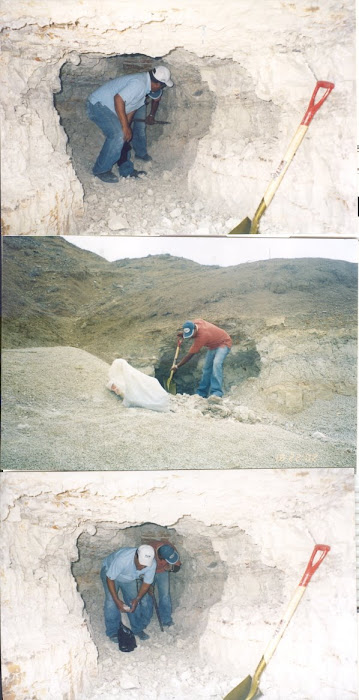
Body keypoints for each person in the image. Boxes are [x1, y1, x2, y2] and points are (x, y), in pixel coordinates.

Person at [86, 66, 173, 183]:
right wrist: (124, 127)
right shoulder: (139, 84)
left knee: (124, 136)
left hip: (108, 108)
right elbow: (118, 99)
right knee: (118, 134)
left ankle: (126, 170)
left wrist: (127, 128)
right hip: (98, 105)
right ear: (158, 84)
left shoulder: (144, 89)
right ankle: (101, 170)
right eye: (163, 86)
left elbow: (131, 109)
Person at [100, 544, 156, 641]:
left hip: (129, 578)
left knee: (133, 601)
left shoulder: (152, 564)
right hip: (110, 573)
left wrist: (137, 599)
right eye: (141, 563)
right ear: (135, 556)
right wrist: (117, 600)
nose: (142, 567)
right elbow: (110, 578)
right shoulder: (123, 559)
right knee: (111, 602)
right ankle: (113, 632)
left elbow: (146, 583)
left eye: (145, 565)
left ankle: (137, 629)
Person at [171, 320, 232, 398]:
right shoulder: (195, 322)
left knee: (216, 364)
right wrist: (184, 334)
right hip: (213, 345)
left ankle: (217, 392)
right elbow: (190, 328)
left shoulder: (202, 336)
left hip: (224, 342)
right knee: (206, 369)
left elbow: (189, 355)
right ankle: (202, 393)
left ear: (195, 329)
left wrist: (177, 366)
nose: (191, 337)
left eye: (191, 334)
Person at [146, 541, 181, 627]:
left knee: (165, 595)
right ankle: (146, 618)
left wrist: (171, 566)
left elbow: (176, 561)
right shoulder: (149, 553)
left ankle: (166, 619)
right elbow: (145, 568)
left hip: (162, 572)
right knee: (147, 595)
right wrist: (148, 585)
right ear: (160, 557)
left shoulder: (169, 548)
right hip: (149, 572)